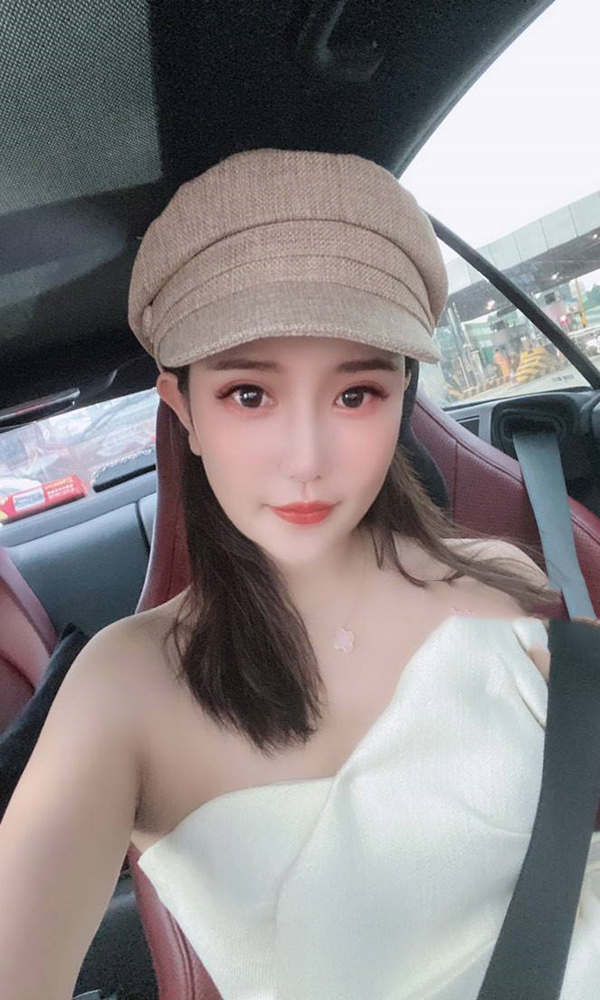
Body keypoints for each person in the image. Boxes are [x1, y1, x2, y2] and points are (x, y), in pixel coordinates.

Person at [1, 148, 599, 1000]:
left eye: (356, 395)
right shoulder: (126, 686)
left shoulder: (500, 583)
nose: (307, 460)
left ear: (402, 395)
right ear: (183, 410)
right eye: (250, 395)